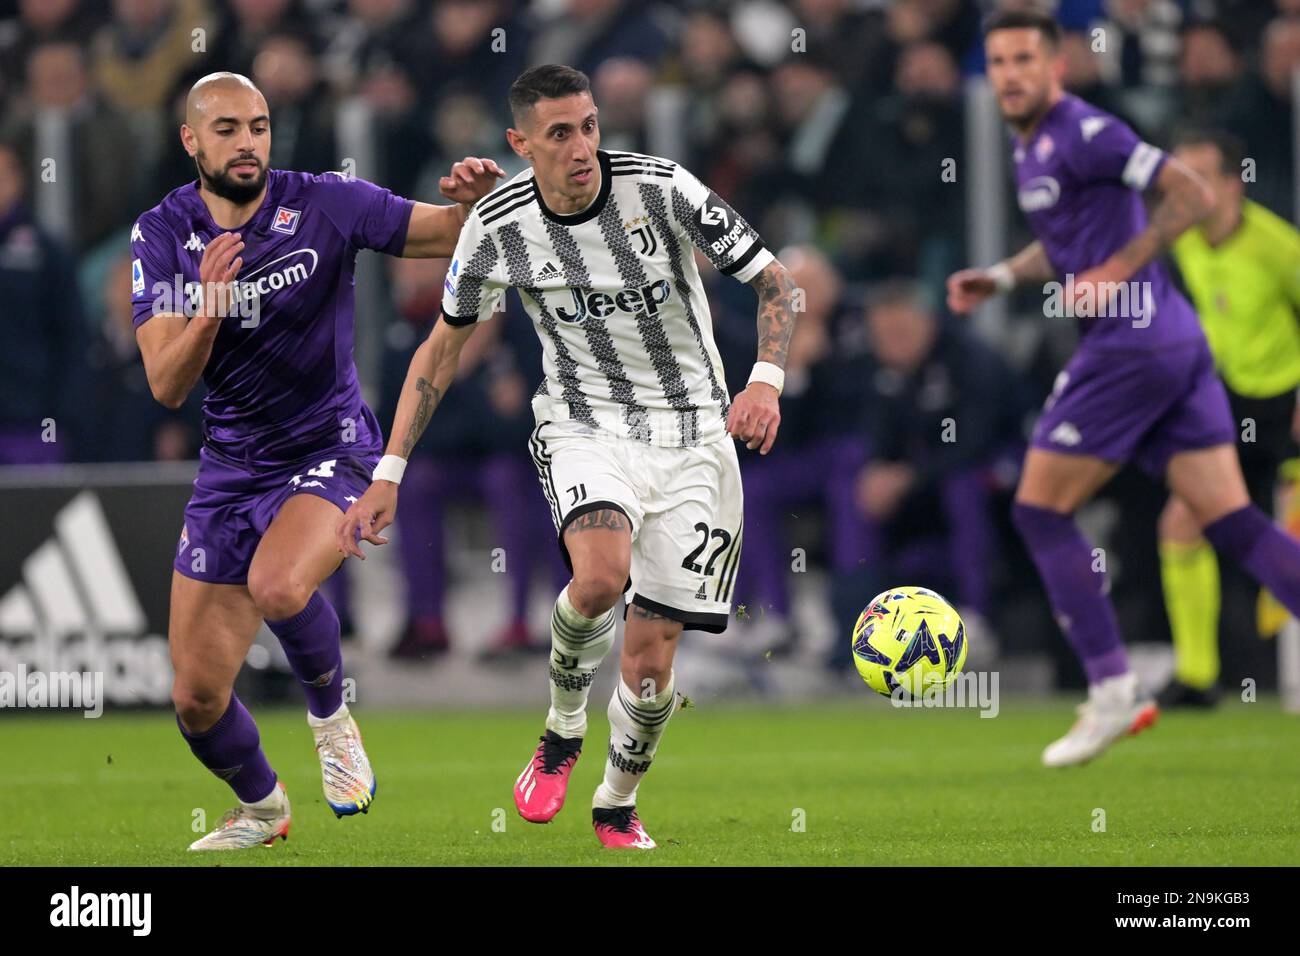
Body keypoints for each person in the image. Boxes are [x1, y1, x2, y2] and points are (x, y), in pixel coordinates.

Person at [339, 64, 796, 849]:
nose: (582, 146)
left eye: (588, 126)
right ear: (521, 143)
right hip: (587, 427)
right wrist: (388, 472)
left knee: (651, 666)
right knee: (598, 576)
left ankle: (616, 801)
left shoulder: (663, 188)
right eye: (559, 133)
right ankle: (561, 727)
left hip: (695, 441)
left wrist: (764, 382)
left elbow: (777, 284)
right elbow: (441, 353)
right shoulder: (498, 224)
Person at [132, 71, 501, 851]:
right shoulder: (162, 234)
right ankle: (264, 806)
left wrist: (472, 201)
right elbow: (166, 384)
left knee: (278, 583)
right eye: (227, 128)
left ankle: (333, 724)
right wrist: (206, 305)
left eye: (259, 126)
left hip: (328, 447)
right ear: (190, 140)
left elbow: (440, 233)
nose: (247, 143)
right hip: (230, 469)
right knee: (197, 698)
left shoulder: (326, 201)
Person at [947, 10, 1300, 767]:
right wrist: (1004, 275)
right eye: (998, 61)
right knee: (1232, 521)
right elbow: (1069, 240)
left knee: (1040, 508)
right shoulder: (1032, 147)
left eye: (1023, 60)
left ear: (1056, 68)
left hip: (1133, 343)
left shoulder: (1086, 131)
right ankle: (1115, 689)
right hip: (1174, 344)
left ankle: (1112, 689)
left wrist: (1119, 268)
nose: (1009, 74)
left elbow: (1191, 194)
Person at [1157, 128, 1300, 708]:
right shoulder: (1183, 241)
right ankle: (1196, 676)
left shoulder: (1278, 245)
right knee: (1181, 522)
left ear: (1233, 183)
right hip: (1227, 401)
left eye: (1197, 178)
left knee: (1291, 534)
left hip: (1286, 402)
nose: (1183, 192)